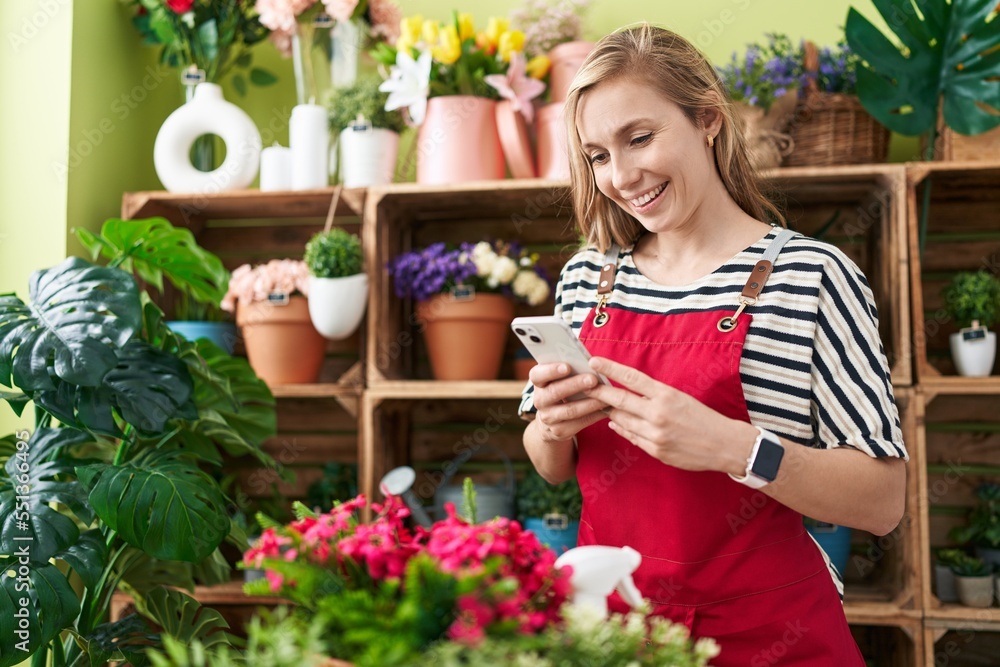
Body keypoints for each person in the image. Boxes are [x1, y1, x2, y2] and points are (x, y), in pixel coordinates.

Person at [519, 23, 907, 665]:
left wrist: (732, 446)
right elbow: (550, 462)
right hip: (616, 634)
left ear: (706, 119)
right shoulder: (590, 277)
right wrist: (553, 426)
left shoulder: (810, 277)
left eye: (639, 138)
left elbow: (883, 501)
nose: (621, 175)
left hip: (767, 635)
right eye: (598, 155)